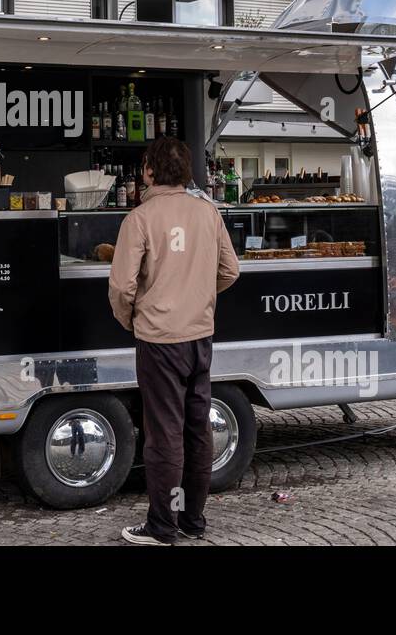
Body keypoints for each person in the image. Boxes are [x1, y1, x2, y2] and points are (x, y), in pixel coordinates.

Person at [108, 137, 239, 546]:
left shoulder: (139, 219)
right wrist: (199, 297)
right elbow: (230, 271)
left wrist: (133, 320)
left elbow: (121, 288)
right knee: (197, 428)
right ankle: (193, 521)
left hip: (159, 340)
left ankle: (162, 526)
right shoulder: (208, 212)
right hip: (200, 336)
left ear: (148, 170)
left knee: (164, 433)